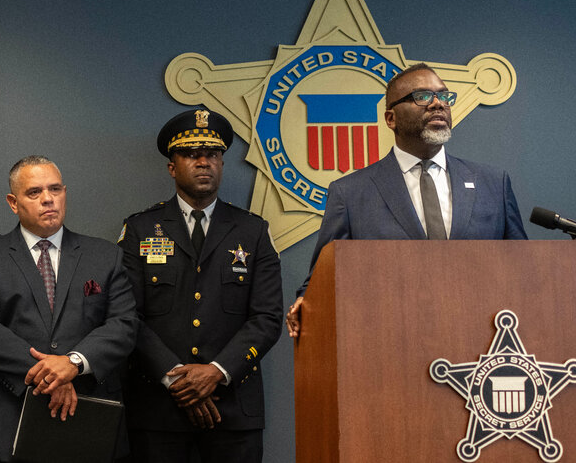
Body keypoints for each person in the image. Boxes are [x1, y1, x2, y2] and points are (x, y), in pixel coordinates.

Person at [286, 63, 528, 337]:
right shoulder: (351, 192)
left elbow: (522, 267)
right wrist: (306, 300)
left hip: (481, 339)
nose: (438, 104)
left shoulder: (493, 183)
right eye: (422, 96)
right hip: (391, 340)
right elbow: (322, 276)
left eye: (444, 96)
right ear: (391, 118)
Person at [117, 109, 284, 463]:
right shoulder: (140, 230)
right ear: (172, 167)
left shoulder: (253, 231)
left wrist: (216, 373)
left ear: (222, 163)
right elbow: (126, 315)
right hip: (158, 411)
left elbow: (267, 318)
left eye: (212, 154)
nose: (203, 162)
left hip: (234, 409)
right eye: (191, 154)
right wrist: (176, 378)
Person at [0, 155, 137, 463]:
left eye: (55, 189)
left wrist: (73, 363)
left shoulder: (105, 256)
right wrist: (50, 373)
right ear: (13, 202)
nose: (48, 199)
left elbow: (124, 324)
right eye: (34, 192)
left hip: (88, 416)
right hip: (4, 421)